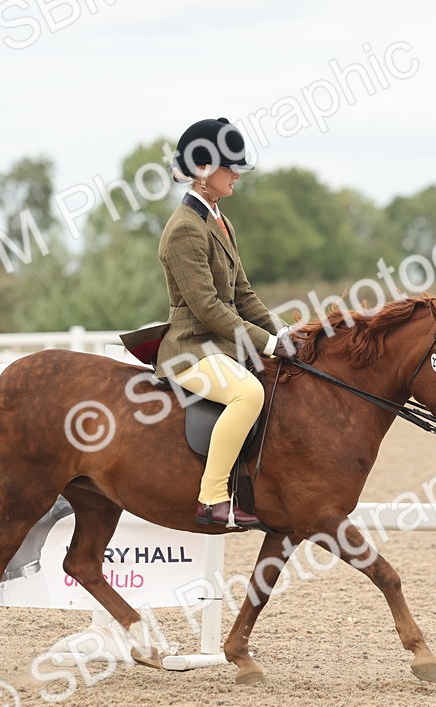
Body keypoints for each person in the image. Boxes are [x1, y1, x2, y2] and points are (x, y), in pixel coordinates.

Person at [154, 117, 291, 529]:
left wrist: (282, 331)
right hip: (190, 348)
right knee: (248, 394)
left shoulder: (220, 221)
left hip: (221, 345)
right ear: (202, 170)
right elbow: (208, 308)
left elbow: (242, 294)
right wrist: (266, 344)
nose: (237, 175)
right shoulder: (184, 229)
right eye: (230, 167)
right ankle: (212, 497)